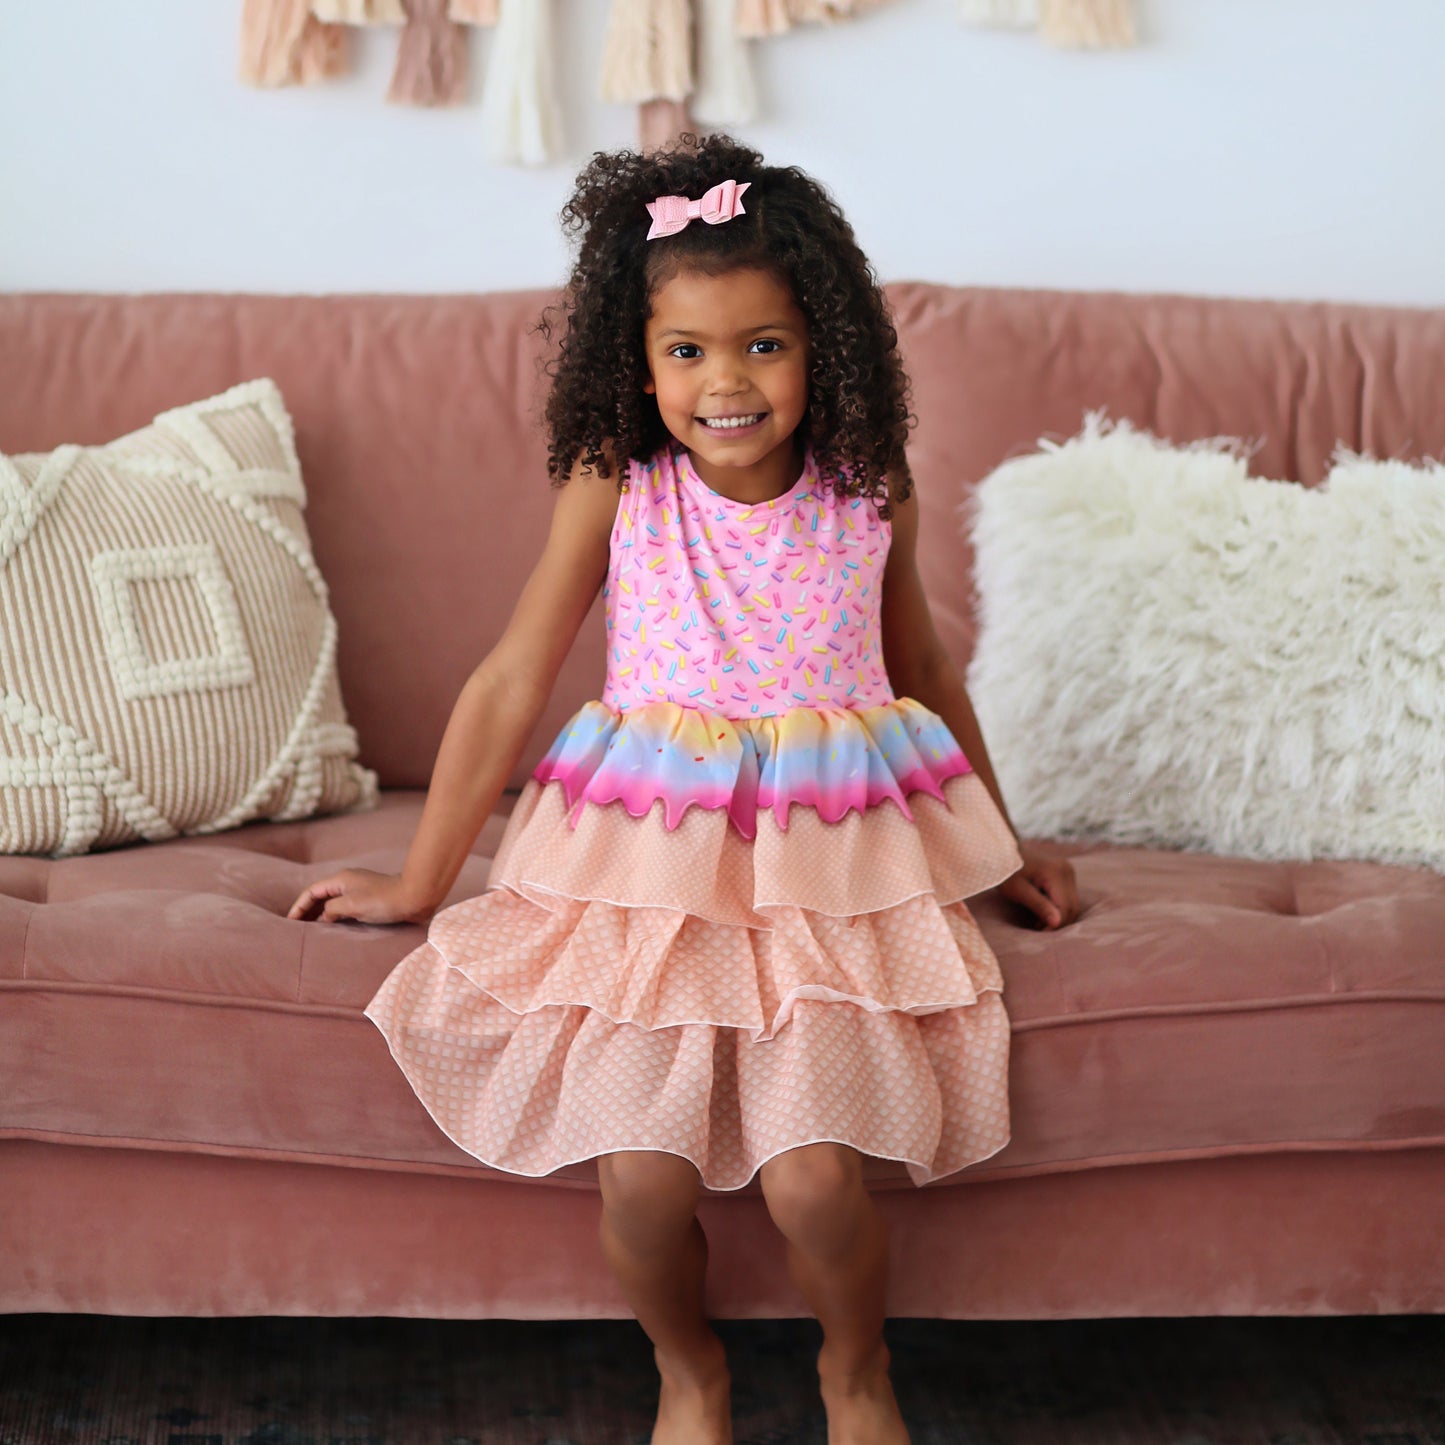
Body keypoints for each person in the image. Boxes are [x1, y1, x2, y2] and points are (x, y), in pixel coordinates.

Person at [288, 131, 1079, 1445]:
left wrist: (998, 845)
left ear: (823, 344)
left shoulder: (865, 488)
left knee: (818, 1178)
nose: (726, 382)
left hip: (826, 870)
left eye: (763, 344)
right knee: (640, 1178)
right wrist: (418, 878)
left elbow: (924, 662)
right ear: (637, 359)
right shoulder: (618, 484)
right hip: (649, 867)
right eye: (687, 350)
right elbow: (505, 678)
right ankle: (688, 1368)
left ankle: (853, 1368)